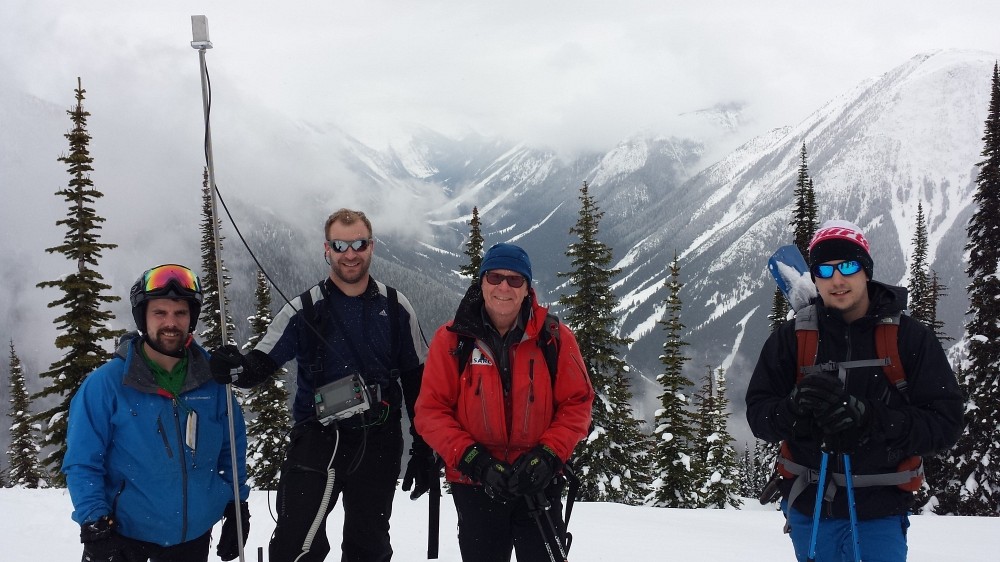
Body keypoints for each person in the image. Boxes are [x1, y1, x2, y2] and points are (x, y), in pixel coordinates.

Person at [209, 208, 431, 562]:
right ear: (327, 249)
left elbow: (419, 381)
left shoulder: (395, 306)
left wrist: (424, 447)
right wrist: (234, 368)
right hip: (319, 439)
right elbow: (260, 364)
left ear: (371, 246)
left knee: (369, 547)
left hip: (379, 440)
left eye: (358, 243)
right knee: (297, 544)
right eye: (340, 245)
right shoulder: (304, 309)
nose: (350, 254)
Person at [745, 220, 964, 561]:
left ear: (866, 270)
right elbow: (760, 416)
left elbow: (945, 424)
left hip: (879, 512)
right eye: (824, 269)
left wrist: (870, 419)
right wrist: (795, 412)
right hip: (810, 507)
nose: (837, 279)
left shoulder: (908, 338)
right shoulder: (792, 339)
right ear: (814, 277)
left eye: (848, 266)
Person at [415, 242, 594, 562]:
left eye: (515, 280)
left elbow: (577, 403)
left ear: (527, 289)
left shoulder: (554, 338)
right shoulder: (453, 340)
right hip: (475, 486)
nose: (503, 287)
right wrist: (473, 459)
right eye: (495, 277)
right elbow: (431, 411)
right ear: (481, 282)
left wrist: (548, 455)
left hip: (537, 485)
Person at [63, 263, 250, 562]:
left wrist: (236, 504)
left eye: (180, 313)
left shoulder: (213, 381)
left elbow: (231, 447)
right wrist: (94, 521)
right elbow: (83, 462)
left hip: (193, 539)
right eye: (159, 313)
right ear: (143, 318)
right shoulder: (107, 384)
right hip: (126, 538)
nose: (170, 323)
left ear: (191, 319)